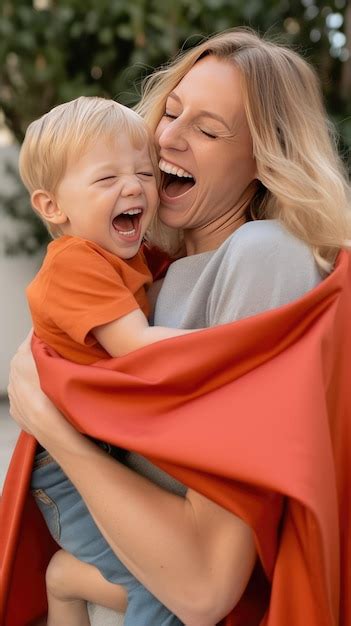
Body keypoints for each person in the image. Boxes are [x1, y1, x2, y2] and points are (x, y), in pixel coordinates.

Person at [7, 27, 350, 626]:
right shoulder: (147, 266)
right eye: (170, 112)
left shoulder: (262, 255)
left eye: (208, 129)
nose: (167, 137)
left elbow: (205, 590)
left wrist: (50, 424)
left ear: (266, 157)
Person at [19, 96, 204, 626]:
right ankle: (67, 579)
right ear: (54, 207)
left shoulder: (126, 253)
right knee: (162, 583)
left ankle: (66, 578)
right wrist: (244, 340)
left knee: (164, 577)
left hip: (104, 450)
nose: (134, 187)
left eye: (144, 172)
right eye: (107, 180)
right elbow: (138, 348)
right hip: (68, 474)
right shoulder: (76, 264)